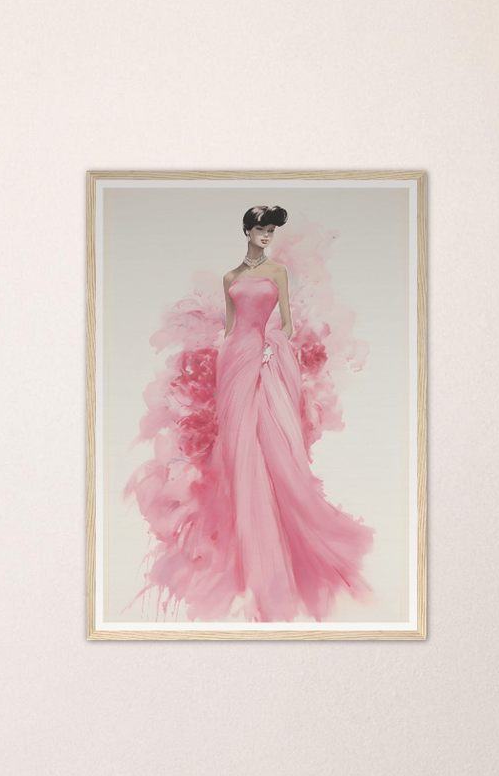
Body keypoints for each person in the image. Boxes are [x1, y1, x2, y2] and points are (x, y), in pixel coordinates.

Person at [126, 206, 372, 622]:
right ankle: (244, 547)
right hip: (235, 357)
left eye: (271, 231)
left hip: (264, 353)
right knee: (237, 446)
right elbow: (230, 327)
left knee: (270, 442)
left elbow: (288, 326)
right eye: (261, 229)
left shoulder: (277, 274)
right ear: (247, 230)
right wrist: (237, 355)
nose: (266, 236)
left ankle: (279, 543)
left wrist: (271, 351)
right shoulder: (231, 279)